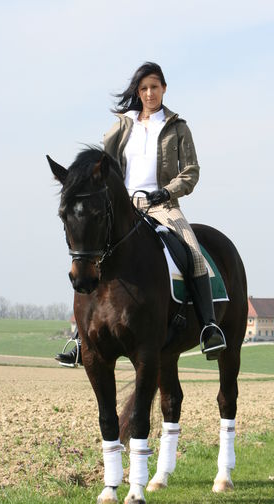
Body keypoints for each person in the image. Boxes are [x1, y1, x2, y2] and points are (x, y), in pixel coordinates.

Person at [56, 62, 226, 366]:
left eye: (155, 87)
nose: (150, 93)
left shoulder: (177, 127)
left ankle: (209, 328)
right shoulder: (123, 125)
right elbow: (102, 163)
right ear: (139, 92)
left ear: (163, 89)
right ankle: (82, 339)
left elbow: (191, 171)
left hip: (163, 205)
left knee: (194, 252)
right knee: (90, 253)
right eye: (144, 88)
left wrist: (169, 191)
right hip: (125, 205)